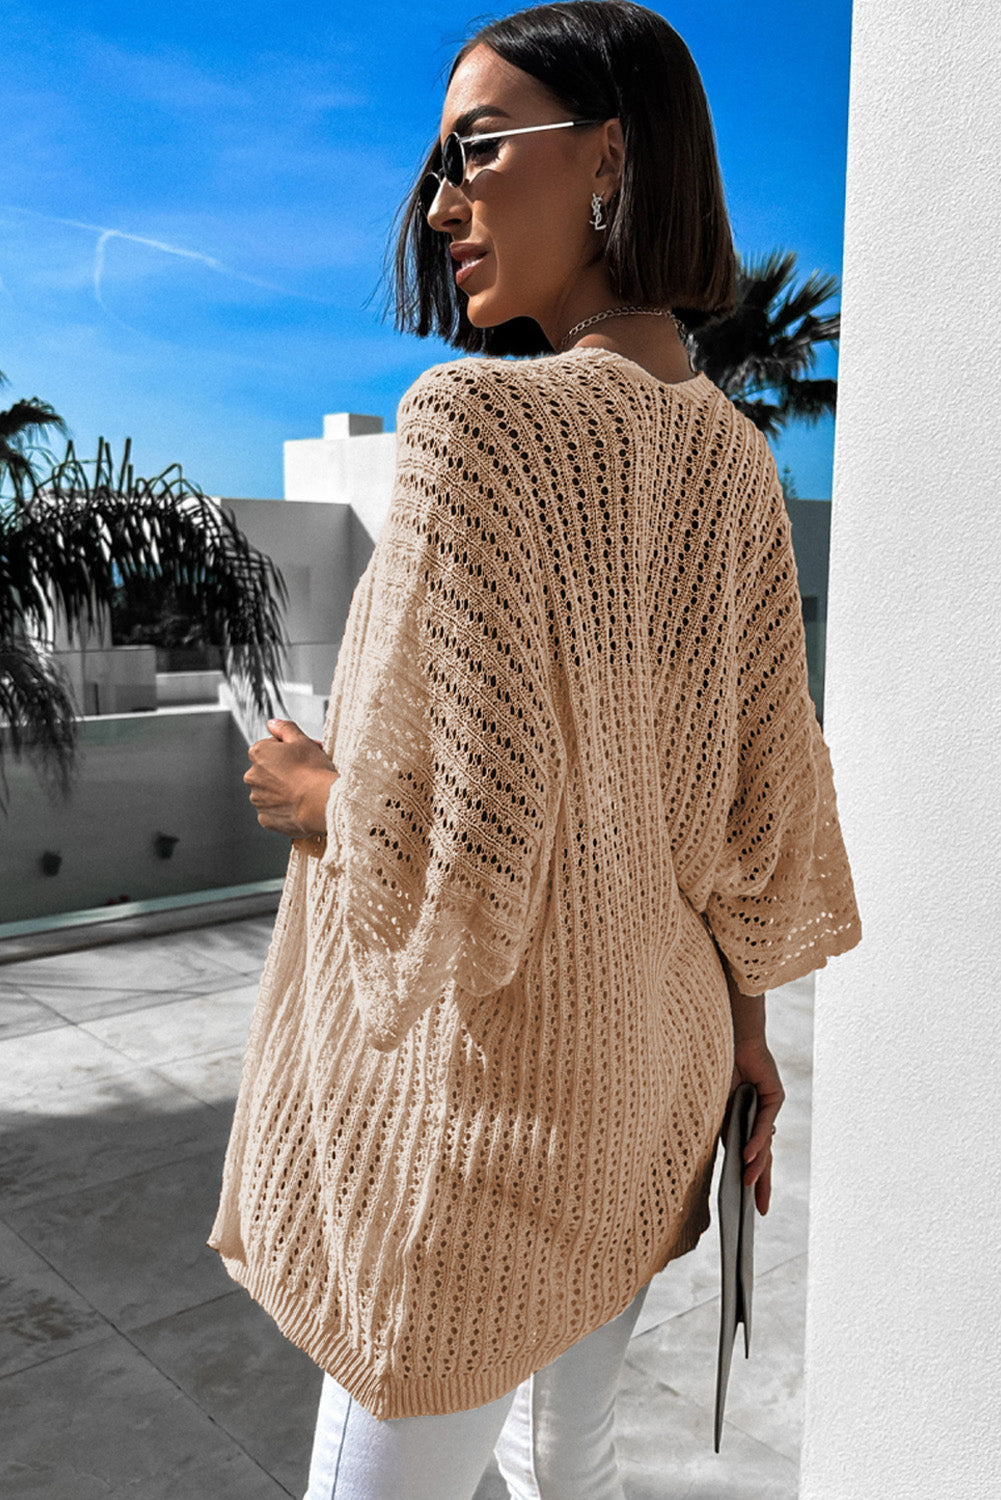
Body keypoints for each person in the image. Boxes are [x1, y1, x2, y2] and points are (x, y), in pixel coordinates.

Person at [208, 4, 863, 1496]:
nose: (443, 202)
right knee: (569, 1461)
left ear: (610, 158)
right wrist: (745, 1041)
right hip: (652, 1080)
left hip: (493, 1117)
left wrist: (315, 794)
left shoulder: (476, 426)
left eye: (478, 150)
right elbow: (758, 818)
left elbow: (464, 858)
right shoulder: (738, 464)